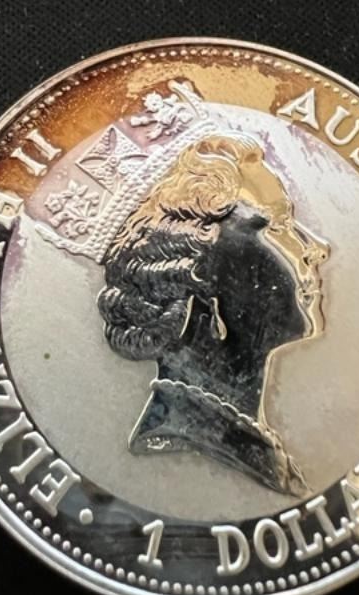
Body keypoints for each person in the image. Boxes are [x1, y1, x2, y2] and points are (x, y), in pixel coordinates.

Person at [97, 132, 328, 496]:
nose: (316, 248)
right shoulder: (188, 453)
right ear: (206, 298)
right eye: (275, 229)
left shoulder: (245, 446)